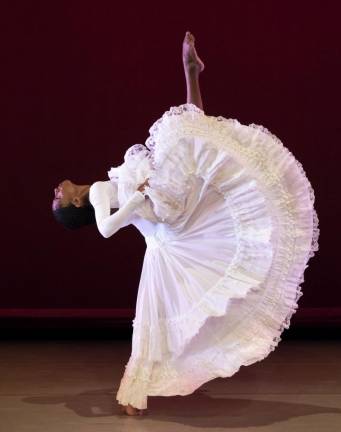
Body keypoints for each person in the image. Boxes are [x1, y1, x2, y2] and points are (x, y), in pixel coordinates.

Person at [52, 32, 320, 416]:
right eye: (57, 198)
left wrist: (141, 202)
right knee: (185, 139)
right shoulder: (94, 192)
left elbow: (130, 222)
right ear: (75, 201)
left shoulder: (102, 185)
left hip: (162, 225)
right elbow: (107, 229)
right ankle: (191, 73)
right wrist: (138, 196)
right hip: (162, 213)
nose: (56, 189)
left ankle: (192, 73)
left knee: (190, 141)